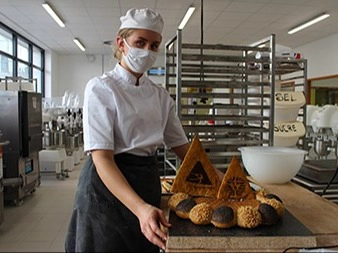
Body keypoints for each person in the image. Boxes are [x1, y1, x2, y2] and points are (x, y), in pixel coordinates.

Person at [64, 8, 191, 252]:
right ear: (121, 43)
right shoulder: (101, 89)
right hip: (105, 189)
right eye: (140, 43)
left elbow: (185, 150)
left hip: (145, 182)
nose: (147, 51)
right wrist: (141, 208)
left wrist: (221, 179)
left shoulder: (160, 96)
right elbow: (102, 159)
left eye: (154, 45)